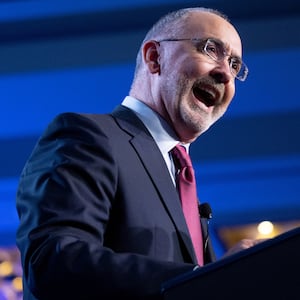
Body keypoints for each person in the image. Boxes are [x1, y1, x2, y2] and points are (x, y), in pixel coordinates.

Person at [16, 7, 259, 300]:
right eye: (210, 49)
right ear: (155, 58)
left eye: (234, 65)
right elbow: (53, 263)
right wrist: (203, 280)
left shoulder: (179, 177)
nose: (225, 74)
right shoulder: (87, 136)